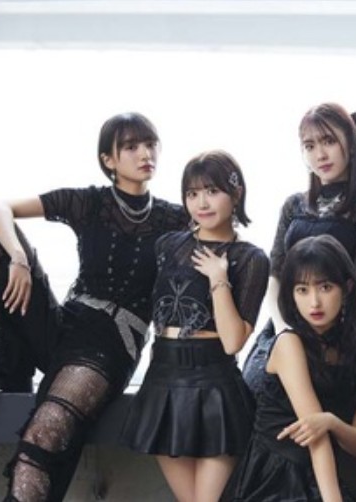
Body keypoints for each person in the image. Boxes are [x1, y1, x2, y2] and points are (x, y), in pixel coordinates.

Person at [0, 112, 189, 500]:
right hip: (65, 325)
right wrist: (19, 258)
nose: (145, 153)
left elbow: (219, 240)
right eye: (131, 146)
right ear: (108, 159)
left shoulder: (174, 219)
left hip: (111, 344)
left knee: (46, 429)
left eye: (150, 144)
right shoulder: (89, 202)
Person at [119, 150, 269, 502]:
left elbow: (233, 342)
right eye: (192, 193)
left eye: (212, 191)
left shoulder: (251, 258)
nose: (201, 202)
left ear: (236, 193)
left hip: (215, 385)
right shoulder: (167, 246)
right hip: (163, 383)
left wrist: (219, 279)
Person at [224, 235, 356, 502]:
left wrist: (331, 422)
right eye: (302, 290)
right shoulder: (289, 343)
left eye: (325, 287)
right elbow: (316, 439)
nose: (314, 303)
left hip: (320, 475)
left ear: (346, 288)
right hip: (272, 477)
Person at [243, 102, 356, 381]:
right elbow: (275, 275)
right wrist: (284, 329)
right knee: (259, 383)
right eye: (309, 146)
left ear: (351, 143)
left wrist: (314, 336)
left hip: (342, 328)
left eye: (329, 141)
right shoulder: (293, 205)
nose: (320, 154)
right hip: (288, 323)